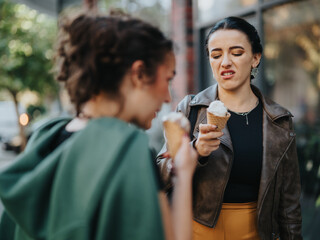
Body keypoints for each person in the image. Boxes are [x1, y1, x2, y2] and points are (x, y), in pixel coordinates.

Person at [0, 11, 197, 240]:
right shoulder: (128, 151)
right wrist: (183, 176)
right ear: (139, 74)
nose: (167, 97)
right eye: (167, 80)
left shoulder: (44, 142)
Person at [157, 16, 303, 240]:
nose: (225, 62)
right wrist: (196, 151)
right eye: (216, 55)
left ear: (255, 58)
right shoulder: (191, 109)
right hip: (198, 230)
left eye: (236, 53)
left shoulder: (279, 119)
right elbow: (161, 174)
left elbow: (289, 202)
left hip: (257, 230)